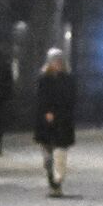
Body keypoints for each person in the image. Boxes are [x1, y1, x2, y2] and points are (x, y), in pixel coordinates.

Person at [34, 49, 76, 198]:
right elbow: (40, 98)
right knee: (48, 156)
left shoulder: (68, 79)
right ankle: (53, 183)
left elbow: (71, 98)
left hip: (62, 121)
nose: (57, 64)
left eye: (59, 61)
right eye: (54, 61)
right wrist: (47, 111)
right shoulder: (44, 78)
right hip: (46, 122)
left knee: (60, 152)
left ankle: (58, 181)